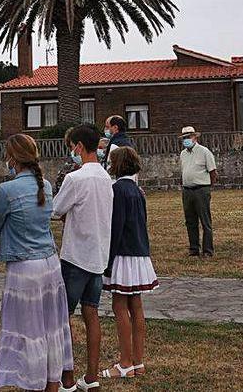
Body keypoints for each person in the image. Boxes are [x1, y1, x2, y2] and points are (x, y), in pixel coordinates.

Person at [0, 134, 72, 392]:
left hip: (24, 266)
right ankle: (52, 382)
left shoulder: (6, 190)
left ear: (12, 158)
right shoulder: (44, 185)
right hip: (50, 262)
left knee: (28, 330)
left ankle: (31, 381)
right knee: (52, 327)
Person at [51, 124, 114, 392]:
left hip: (75, 256)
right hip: (98, 256)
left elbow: (56, 210)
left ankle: (67, 377)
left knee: (63, 317)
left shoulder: (75, 178)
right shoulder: (105, 177)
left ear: (78, 146)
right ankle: (92, 375)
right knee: (92, 314)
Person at [101, 146, 157, 380]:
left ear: (118, 165)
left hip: (123, 254)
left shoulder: (117, 190)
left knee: (119, 306)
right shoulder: (137, 190)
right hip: (140, 252)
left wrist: (108, 260)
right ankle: (138, 361)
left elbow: (115, 227)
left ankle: (124, 363)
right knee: (137, 306)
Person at [178, 126, 217, 257]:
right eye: (184, 138)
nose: (186, 140)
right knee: (190, 221)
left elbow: (213, 171)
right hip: (187, 190)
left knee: (205, 221)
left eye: (188, 137)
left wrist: (208, 187)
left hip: (201, 189)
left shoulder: (204, 152)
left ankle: (207, 250)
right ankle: (194, 248)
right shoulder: (183, 154)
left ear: (195, 137)